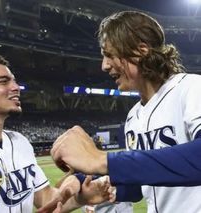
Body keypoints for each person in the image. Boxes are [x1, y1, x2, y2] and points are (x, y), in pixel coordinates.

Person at [50, 11, 201, 213]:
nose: (104, 66)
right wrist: (89, 183)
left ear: (142, 51)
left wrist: (101, 160)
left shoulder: (192, 88)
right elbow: (144, 181)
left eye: (110, 55)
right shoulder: (133, 116)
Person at [0, 53, 113, 213]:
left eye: (14, 81)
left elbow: (46, 199)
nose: (15, 87)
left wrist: (81, 198)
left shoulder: (20, 142)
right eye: (3, 81)